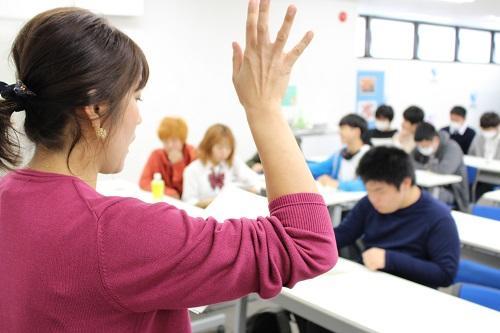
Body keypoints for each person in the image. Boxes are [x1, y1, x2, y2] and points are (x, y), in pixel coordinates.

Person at [0, 3, 337, 332]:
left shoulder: (7, 196)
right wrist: (264, 108)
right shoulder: (116, 232)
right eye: (137, 97)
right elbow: (307, 244)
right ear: (96, 107)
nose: (139, 116)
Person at [296, 147, 460, 333]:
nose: (374, 199)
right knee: (317, 314)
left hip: (411, 301)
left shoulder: (438, 218)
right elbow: (344, 234)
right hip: (370, 286)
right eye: (369, 190)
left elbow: (445, 274)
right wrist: (305, 245)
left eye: (380, 191)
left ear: (405, 183)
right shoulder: (370, 203)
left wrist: (389, 259)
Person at [182, 124, 260, 208]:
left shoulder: (232, 163)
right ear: (208, 146)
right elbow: (188, 202)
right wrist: (213, 201)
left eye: (228, 148)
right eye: (220, 148)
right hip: (202, 216)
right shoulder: (192, 170)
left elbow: (254, 183)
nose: (224, 152)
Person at [412, 122, 469, 211]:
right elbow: (409, 162)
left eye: (425, 146)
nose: (422, 149)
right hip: (427, 186)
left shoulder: (452, 147)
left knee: (428, 199)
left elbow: (444, 170)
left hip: (452, 190)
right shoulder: (421, 145)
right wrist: (429, 167)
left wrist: (424, 166)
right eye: (419, 146)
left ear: (435, 140)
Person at [307, 114, 370, 191]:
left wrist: (336, 184)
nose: (340, 132)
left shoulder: (369, 155)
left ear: (357, 131)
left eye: (343, 128)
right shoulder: (339, 155)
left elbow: (367, 184)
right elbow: (319, 168)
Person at [139, 117, 196, 199]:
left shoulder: (193, 154)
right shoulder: (156, 155)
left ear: (182, 140)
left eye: (174, 140)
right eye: (165, 141)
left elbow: (188, 190)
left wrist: (178, 164)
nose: (169, 145)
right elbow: (144, 182)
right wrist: (169, 192)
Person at [468, 111, 500, 198]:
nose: (487, 132)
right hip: (481, 175)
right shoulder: (478, 138)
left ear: (497, 127)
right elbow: (471, 155)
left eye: (489, 130)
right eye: (484, 130)